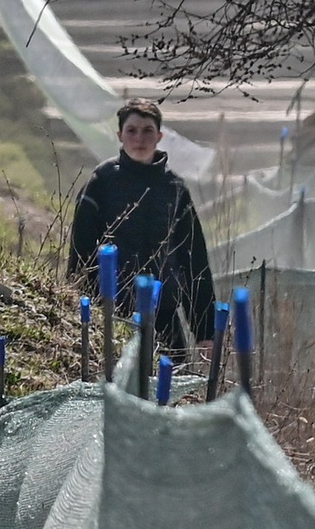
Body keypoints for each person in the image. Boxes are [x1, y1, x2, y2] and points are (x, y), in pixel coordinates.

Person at [66, 98, 214, 352]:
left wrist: (204, 330)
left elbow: (193, 260)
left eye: (147, 131)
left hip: (164, 314)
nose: (139, 138)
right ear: (120, 136)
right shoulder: (102, 182)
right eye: (131, 131)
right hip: (111, 313)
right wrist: (77, 307)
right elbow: (81, 250)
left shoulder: (174, 189)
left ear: (159, 136)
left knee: (172, 385)